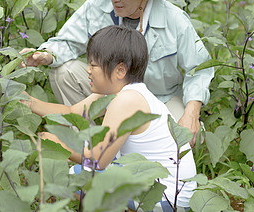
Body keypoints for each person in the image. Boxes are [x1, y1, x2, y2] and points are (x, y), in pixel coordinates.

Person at [21, 0, 214, 146]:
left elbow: (199, 69)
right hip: (109, 90)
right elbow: (67, 42)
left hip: (159, 98)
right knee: (64, 72)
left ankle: (123, 149)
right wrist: (45, 55)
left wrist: (192, 112)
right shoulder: (98, 2)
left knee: (185, 138)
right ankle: (82, 143)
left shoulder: (174, 20)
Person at [22, 25, 196, 210]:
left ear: (120, 70)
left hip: (167, 198)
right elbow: (72, 113)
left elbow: (98, 160)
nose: (88, 70)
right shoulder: (125, 91)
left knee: (76, 177)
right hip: (171, 188)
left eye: (93, 65)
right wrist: (30, 102)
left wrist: (58, 145)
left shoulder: (127, 100)